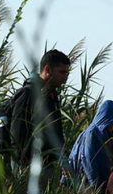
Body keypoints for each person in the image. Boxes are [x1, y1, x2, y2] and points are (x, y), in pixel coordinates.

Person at [10, 49, 71, 186]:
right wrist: (22, 163)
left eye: (67, 73)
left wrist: (62, 159)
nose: (65, 77)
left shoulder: (51, 96)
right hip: (28, 166)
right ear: (47, 69)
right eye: (62, 72)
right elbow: (17, 132)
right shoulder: (28, 94)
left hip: (46, 164)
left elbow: (56, 131)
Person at [67, 100, 113, 194]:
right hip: (87, 181)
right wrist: (94, 185)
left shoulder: (106, 134)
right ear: (107, 118)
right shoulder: (92, 133)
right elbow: (88, 160)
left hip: (98, 181)